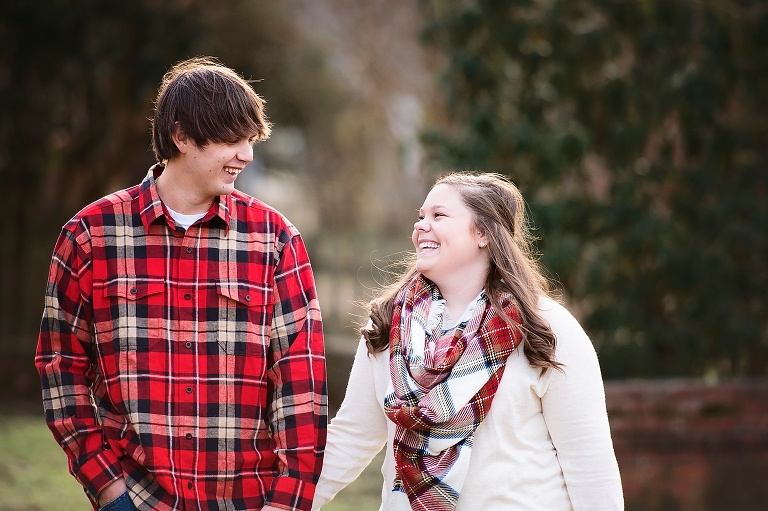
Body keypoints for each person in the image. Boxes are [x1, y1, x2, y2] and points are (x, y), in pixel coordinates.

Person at [35, 57, 327, 511]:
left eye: (250, 140)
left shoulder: (276, 240)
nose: (246, 156)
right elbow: (60, 367)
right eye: (232, 140)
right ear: (182, 136)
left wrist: (287, 502)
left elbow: (299, 384)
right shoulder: (90, 236)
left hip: (250, 500)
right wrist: (110, 489)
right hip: (136, 496)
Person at [312, 172, 623, 510]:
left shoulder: (545, 328)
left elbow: (589, 462)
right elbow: (352, 437)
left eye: (438, 215)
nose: (420, 227)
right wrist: (282, 503)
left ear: (482, 234)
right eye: (420, 217)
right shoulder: (389, 326)